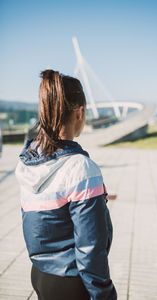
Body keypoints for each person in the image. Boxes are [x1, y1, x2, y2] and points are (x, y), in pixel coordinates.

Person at [15, 70, 117, 300]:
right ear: (80, 112)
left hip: (40, 274)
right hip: (72, 281)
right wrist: (104, 295)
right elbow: (90, 250)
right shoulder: (80, 168)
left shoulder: (30, 161)